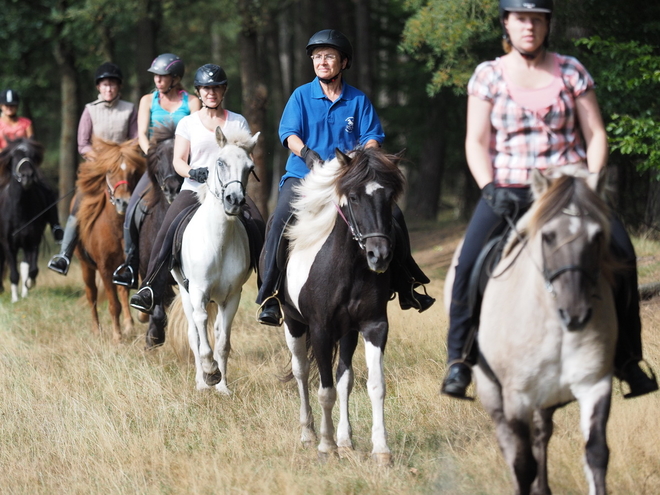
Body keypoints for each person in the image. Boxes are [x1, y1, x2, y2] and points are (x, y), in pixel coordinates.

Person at [440, 0, 658, 399]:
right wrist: (489, 187)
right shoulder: (487, 75)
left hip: (570, 186)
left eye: (538, 20)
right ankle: (460, 360)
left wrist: (591, 182)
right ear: (507, 23)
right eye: (522, 19)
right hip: (508, 187)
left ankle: (628, 359)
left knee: (623, 255)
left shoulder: (572, 70)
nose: (530, 27)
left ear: (547, 25)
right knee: (470, 263)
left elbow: (595, 135)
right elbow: (476, 141)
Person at [256, 29, 435, 326]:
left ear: (344, 62)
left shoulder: (358, 100)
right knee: (279, 219)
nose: (321, 62)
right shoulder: (301, 95)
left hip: (348, 179)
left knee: (394, 216)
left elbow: (372, 137)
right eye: (317, 57)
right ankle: (271, 294)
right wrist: (307, 153)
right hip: (305, 176)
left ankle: (406, 284)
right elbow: (288, 134)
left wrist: (362, 161)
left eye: (328, 56)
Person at [129, 63, 261, 314]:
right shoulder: (188, 123)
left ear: (224, 91)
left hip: (230, 188)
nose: (211, 93)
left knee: (258, 223)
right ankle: (150, 287)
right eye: (205, 89)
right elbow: (179, 160)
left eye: (216, 88)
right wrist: (192, 171)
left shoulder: (238, 121)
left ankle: (268, 293)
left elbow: (244, 155)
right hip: (195, 187)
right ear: (198, 92)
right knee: (168, 228)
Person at [111, 53, 201, 288]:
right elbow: (141, 134)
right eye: (156, 76)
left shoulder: (191, 102)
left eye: (162, 77)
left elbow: (197, 133)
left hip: (185, 164)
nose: (157, 81)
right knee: (132, 209)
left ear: (175, 78)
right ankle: (131, 263)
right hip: (157, 165)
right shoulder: (147, 101)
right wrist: (153, 154)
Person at [48, 62, 138, 275]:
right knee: (78, 203)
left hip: (123, 169)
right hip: (97, 170)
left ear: (119, 87)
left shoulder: (129, 109)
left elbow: (135, 139)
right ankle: (64, 254)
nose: (109, 89)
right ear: (99, 87)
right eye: (105, 85)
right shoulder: (90, 110)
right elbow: (82, 144)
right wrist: (101, 159)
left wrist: (121, 156)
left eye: (113, 85)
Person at [0, 89, 63, 241]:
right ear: (1, 106)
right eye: (7, 105)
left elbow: (32, 145)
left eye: (13, 105)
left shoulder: (26, 123)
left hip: (23, 165)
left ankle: (55, 226)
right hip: (4, 166)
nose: (10, 108)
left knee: (46, 187)